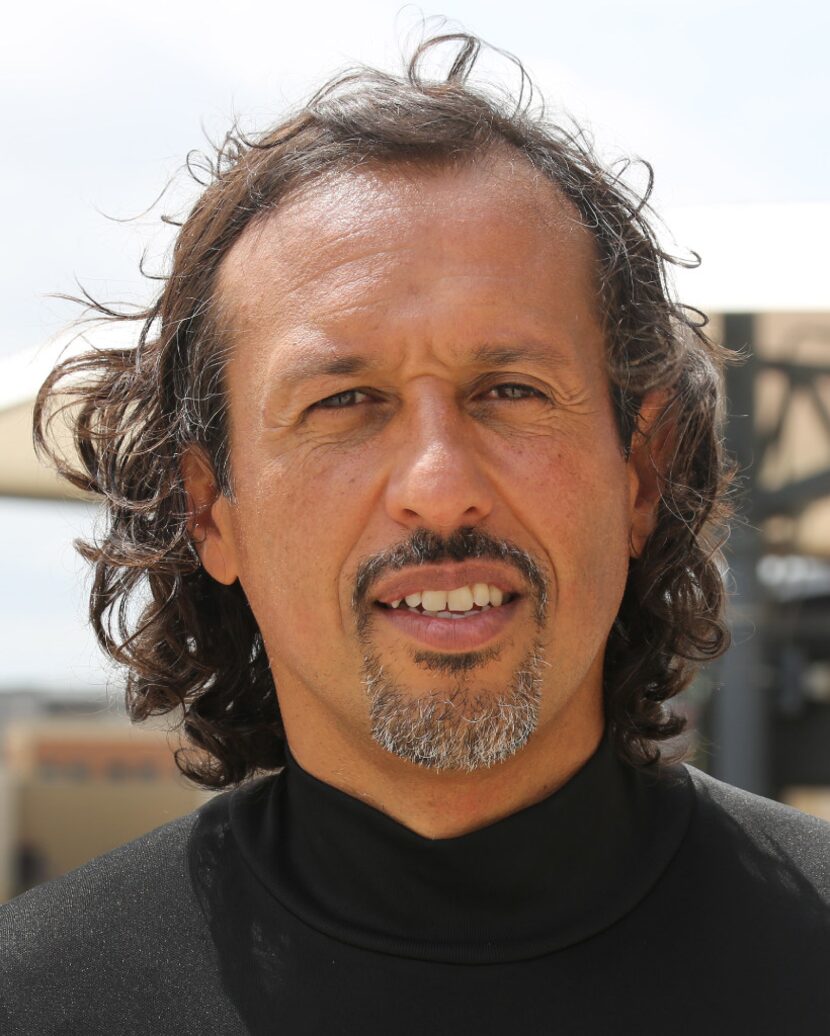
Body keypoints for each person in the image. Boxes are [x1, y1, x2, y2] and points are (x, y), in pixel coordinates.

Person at [2, 32, 828, 1036]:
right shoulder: (45, 999)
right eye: (344, 402)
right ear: (209, 510)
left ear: (639, 474)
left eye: (509, 391)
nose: (439, 491)